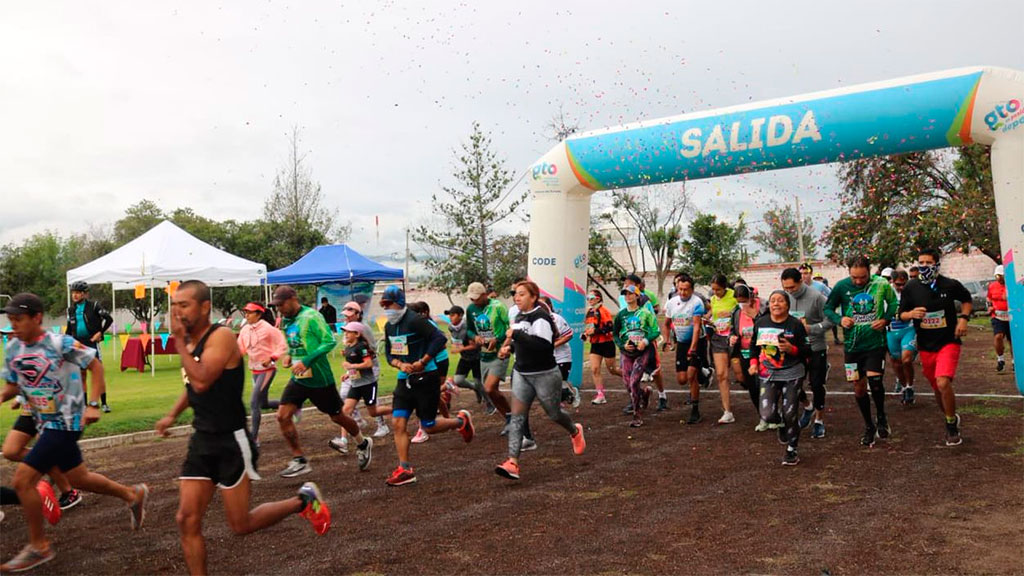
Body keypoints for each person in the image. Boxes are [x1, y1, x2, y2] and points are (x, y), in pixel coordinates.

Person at [156, 281, 330, 576]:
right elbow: (193, 387)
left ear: (205, 307)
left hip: (231, 441)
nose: (178, 311)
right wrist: (172, 415)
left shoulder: (221, 336)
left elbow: (201, 379)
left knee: (240, 524)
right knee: (186, 519)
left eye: (184, 305)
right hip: (202, 440)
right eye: (175, 305)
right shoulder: (192, 342)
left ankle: (303, 500)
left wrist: (178, 341)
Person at [1, 293, 148, 573]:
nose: (14, 325)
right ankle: (132, 495)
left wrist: (93, 405)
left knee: (23, 481)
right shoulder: (13, 349)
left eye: (19, 319)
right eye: (10, 320)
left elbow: (95, 364)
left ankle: (39, 546)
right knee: (79, 478)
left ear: (37, 317)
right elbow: (12, 386)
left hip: (67, 420)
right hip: (42, 420)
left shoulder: (60, 343)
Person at [271, 285, 372, 477]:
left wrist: (308, 361)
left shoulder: (312, 316)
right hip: (299, 379)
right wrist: (289, 356)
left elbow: (329, 341)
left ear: (293, 299)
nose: (279, 309)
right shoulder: (285, 320)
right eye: (277, 306)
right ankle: (299, 459)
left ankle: (362, 442)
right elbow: (295, 344)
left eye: (281, 304)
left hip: (319, 379)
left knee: (337, 417)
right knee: (282, 416)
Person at [381, 286, 474, 486]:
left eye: (389, 304)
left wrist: (423, 361)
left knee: (428, 426)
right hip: (404, 379)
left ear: (399, 303)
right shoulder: (389, 326)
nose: (386, 308)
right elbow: (389, 353)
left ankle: (461, 422)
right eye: (383, 305)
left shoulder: (415, 321)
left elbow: (439, 338)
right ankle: (405, 469)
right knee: (398, 423)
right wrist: (399, 364)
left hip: (426, 377)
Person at [494, 282, 587, 480]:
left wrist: (516, 334)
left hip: (545, 373)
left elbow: (544, 345)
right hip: (521, 373)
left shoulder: (541, 317)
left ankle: (574, 430)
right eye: (515, 294)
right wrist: (507, 348)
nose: (516, 298)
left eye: (521, 294)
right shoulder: (519, 316)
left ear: (533, 297)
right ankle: (512, 462)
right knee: (517, 417)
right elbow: (519, 342)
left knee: (553, 413)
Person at [897, 248, 973, 446]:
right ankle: (951, 416)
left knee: (942, 382)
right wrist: (911, 314)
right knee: (937, 389)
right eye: (920, 262)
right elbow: (901, 314)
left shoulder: (950, 284)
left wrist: (963, 319)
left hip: (948, 341)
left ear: (937, 264)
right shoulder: (911, 287)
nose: (924, 266)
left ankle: (950, 426)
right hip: (926, 345)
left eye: (928, 263)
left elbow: (966, 300)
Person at [824, 256, 898, 447]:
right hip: (852, 346)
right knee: (858, 385)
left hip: (875, 343)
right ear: (849, 272)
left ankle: (881, 416)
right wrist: (840, 320)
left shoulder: (880, 284)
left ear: (869, 271)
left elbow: (893, 304)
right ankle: (868, 425)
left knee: (874, 381)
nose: (858, 281)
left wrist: (886, 320)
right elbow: (829, 308)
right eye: (854, 277)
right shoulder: (841, 287)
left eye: (863, 277)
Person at [749, 290, 811, 466]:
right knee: (767, 415)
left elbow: (808, 350)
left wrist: (793, 349)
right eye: (773, 301)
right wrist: (753, 363)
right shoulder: (761, 323)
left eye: (780, 301)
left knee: (790, 412)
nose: (776, 304)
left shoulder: (795, 325)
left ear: (787, 305)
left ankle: (792, 449)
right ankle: (782, 424)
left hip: (792, 372)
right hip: (768, 373)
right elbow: (754, 346)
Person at [781, 268, 834, 440]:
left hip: (815, 347)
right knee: (792, 383)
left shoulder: (816, 297)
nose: (789, 292)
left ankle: (819, 420)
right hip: (794, 348)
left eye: (792, 288)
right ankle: (807, 406)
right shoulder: (784, 298)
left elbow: (831, 319)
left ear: (800, 282)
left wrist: (812, 328)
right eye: (786, 288)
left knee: (817, 384)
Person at [3, 396, 81, 510]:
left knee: (46, 454)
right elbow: (24, 379)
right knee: (11, 451)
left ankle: (69, 491)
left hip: (50, 412)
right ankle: (50, 463)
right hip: (29, 412)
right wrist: (20, 398)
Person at [328, 322, 393, 455]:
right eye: (344, 331)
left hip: (368, 384)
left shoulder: (362, 346)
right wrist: (347, 375)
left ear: (357, 334)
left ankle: (400, 408)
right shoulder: (348, 348)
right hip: (356, 384)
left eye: (348, 332)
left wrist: (352, 367)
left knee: (373, 412)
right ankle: (343, 441)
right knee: (345, 411)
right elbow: (353, 366)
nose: (345, 334)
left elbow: (368, 364)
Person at [465, 281, 515, 426]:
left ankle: (512, 418)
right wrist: (475, 337)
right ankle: (509, 418)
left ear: (485, 295)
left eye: (476, 298)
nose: (473, 301)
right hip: (484, 354)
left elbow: (510, 329)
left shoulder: (498, 307)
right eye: (471, 298)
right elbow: (469, 329)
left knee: (489, 387)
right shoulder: (471, 309)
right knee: (490, 392)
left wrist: (498, 339)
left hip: (500, 352)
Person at [237, 302, 286, 444]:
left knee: (254, 402)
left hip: (268, 370)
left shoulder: (268, 328)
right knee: (263, 404)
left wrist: (272, 358)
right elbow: (240, 349)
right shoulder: (245, 329)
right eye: (245, 312)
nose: (246, 315)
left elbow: (282, 345)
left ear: (259, 314)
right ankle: (291, 405)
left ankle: (254, 437)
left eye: (250, 312)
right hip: (255, 370)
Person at [618, 274, 667, 410]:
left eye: (629, 284)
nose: (625, 287)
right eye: (624, 285)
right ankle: (636, 397)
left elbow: (653, 324)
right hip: (629, 341)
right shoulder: (621, 298)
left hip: (644, 341)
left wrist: (646, 340)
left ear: (638, 286)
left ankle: (662, 396)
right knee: (628, 373)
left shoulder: (645, 301)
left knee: (655, 371)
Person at [613, 285, 660, 427]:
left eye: (630, 294)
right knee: (628, 384)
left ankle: (637, 414)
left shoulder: (645, 313)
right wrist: (622, 345)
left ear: (637, 296)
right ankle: (644, 393)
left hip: (642, 352)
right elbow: (615, 334)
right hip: (627, 353)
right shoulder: (621, 315)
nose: (627, 296)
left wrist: (645, 341)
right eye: (625, 294)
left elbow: (655, 330)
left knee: (634, 382)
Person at [405, 301, 452, 443]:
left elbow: (442, 342)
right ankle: (450, 421)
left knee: (423, 394)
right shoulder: (412, 325)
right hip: (431, 363)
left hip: (435, 363)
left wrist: (425, 358)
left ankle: (423, 430)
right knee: (434, 394)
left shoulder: (426, 324)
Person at [662, 273, 705, 424]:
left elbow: (697, 327)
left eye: (686, 290)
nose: (682, 292)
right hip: (681, 342)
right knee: (681, 379)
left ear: (692, 290)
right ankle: (704, 371)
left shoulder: (697, 302)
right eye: (680, 289)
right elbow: (667, 324)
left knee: (691, 376)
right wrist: (667, 341)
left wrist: (693, 348)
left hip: (696, 341)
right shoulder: (671, 303)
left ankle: (695, 410)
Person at [340, 301, 387, 437]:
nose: (346, 317)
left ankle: (382, 425)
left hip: (369, 366)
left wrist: (360, 354)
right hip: (354, 368)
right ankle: (358, 420)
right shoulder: (347, 328)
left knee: (371, 399)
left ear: (358, 314)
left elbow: (370, 348)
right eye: (345, 315)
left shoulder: (362, 328)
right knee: (344, 394)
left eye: (349, 314)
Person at [65, 281, 114, 412]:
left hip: (92, 343)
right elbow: (69, 329)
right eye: (73, 293)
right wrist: (66, 343)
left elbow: (109, 319)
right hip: (78, 344)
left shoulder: (94, 306)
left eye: (77, 293)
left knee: (98, 373)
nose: (74, 295)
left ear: (85, 294)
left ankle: (104, 403)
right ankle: (85, 405)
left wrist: (100, 332)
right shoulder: (71, 310)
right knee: (82, 375)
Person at [727, 285, 766, 430]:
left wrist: (755, 316)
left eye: (744, 301)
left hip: (762, 352)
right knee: (752, 386)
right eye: (739, 301)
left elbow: (766, 325)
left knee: (765, 385)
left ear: (751, 297)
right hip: (745, 352)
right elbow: (733, 330)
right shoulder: (736, 312)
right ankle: (762, 415)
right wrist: (732, 338)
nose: (742, 304)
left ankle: (772, 412)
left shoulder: (762, 307)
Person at [706, 274, 739, 424]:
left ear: (725, 287)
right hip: (718, 338)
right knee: (721, 374)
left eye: (718, 290)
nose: (715, 292)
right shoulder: (713, 299)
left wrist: (731, 315)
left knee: (740, 374)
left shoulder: (735, 296)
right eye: (713, 290)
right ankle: (727, 411)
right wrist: (709, 320)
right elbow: (714, 315)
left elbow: (744, 310)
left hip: (734, 338)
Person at [446, 305, 490, 410]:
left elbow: (475, 345)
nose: (450, 317)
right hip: (465, 358)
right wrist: (455, 346)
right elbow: (456, 341)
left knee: (479, 383)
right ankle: (475, 388)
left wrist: (460, 349)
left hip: (476, 358)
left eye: (453, 315)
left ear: (460, 315)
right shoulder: (451, 327)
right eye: (449, 315)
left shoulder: (467, 327)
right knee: (458, 380)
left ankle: (490, 403)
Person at [583, 290, 622, 405]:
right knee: (595, 369)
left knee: (612, 370)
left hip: (607, 343)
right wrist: (586, 334)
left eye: (591, 297)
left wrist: (596, 331)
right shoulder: (589, 312)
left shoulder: (604, 311)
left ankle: (631, 377)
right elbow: (589, 328)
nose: (589, 300)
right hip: (595, 344)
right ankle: (600, 395)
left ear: (598, 298)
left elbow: (610, 327)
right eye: (588, 297)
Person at [539, 296, 578, 408]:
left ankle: (569, 393)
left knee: (558, 383)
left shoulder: (557, 318)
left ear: (549, 306)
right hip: (547, 358)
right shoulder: (538, 321)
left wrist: (552, 345)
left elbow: (569, 335)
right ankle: (562, 398)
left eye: (542, 305)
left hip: (562, 357)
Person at [886, 270, 918, 404]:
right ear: (892, 282)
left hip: (908, 329)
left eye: (903, 284)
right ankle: (904, 387)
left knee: (906, 360)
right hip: (891, 331)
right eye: (898, 284)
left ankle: (910, 386)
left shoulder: (911, 292)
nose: (901, 287)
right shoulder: (886, 293)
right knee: (897, 363)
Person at [987, 265, 1013, 373]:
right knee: (998, 336)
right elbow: (989, 298)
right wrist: (989, 306)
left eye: (1001, 276)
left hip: (1012, 317)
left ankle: (1014, 362)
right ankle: (1000, 359)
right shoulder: (992, 286)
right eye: (997, 276)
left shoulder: (1012, 286)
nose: (999, 278)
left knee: (1012, 340)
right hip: (997, 316)